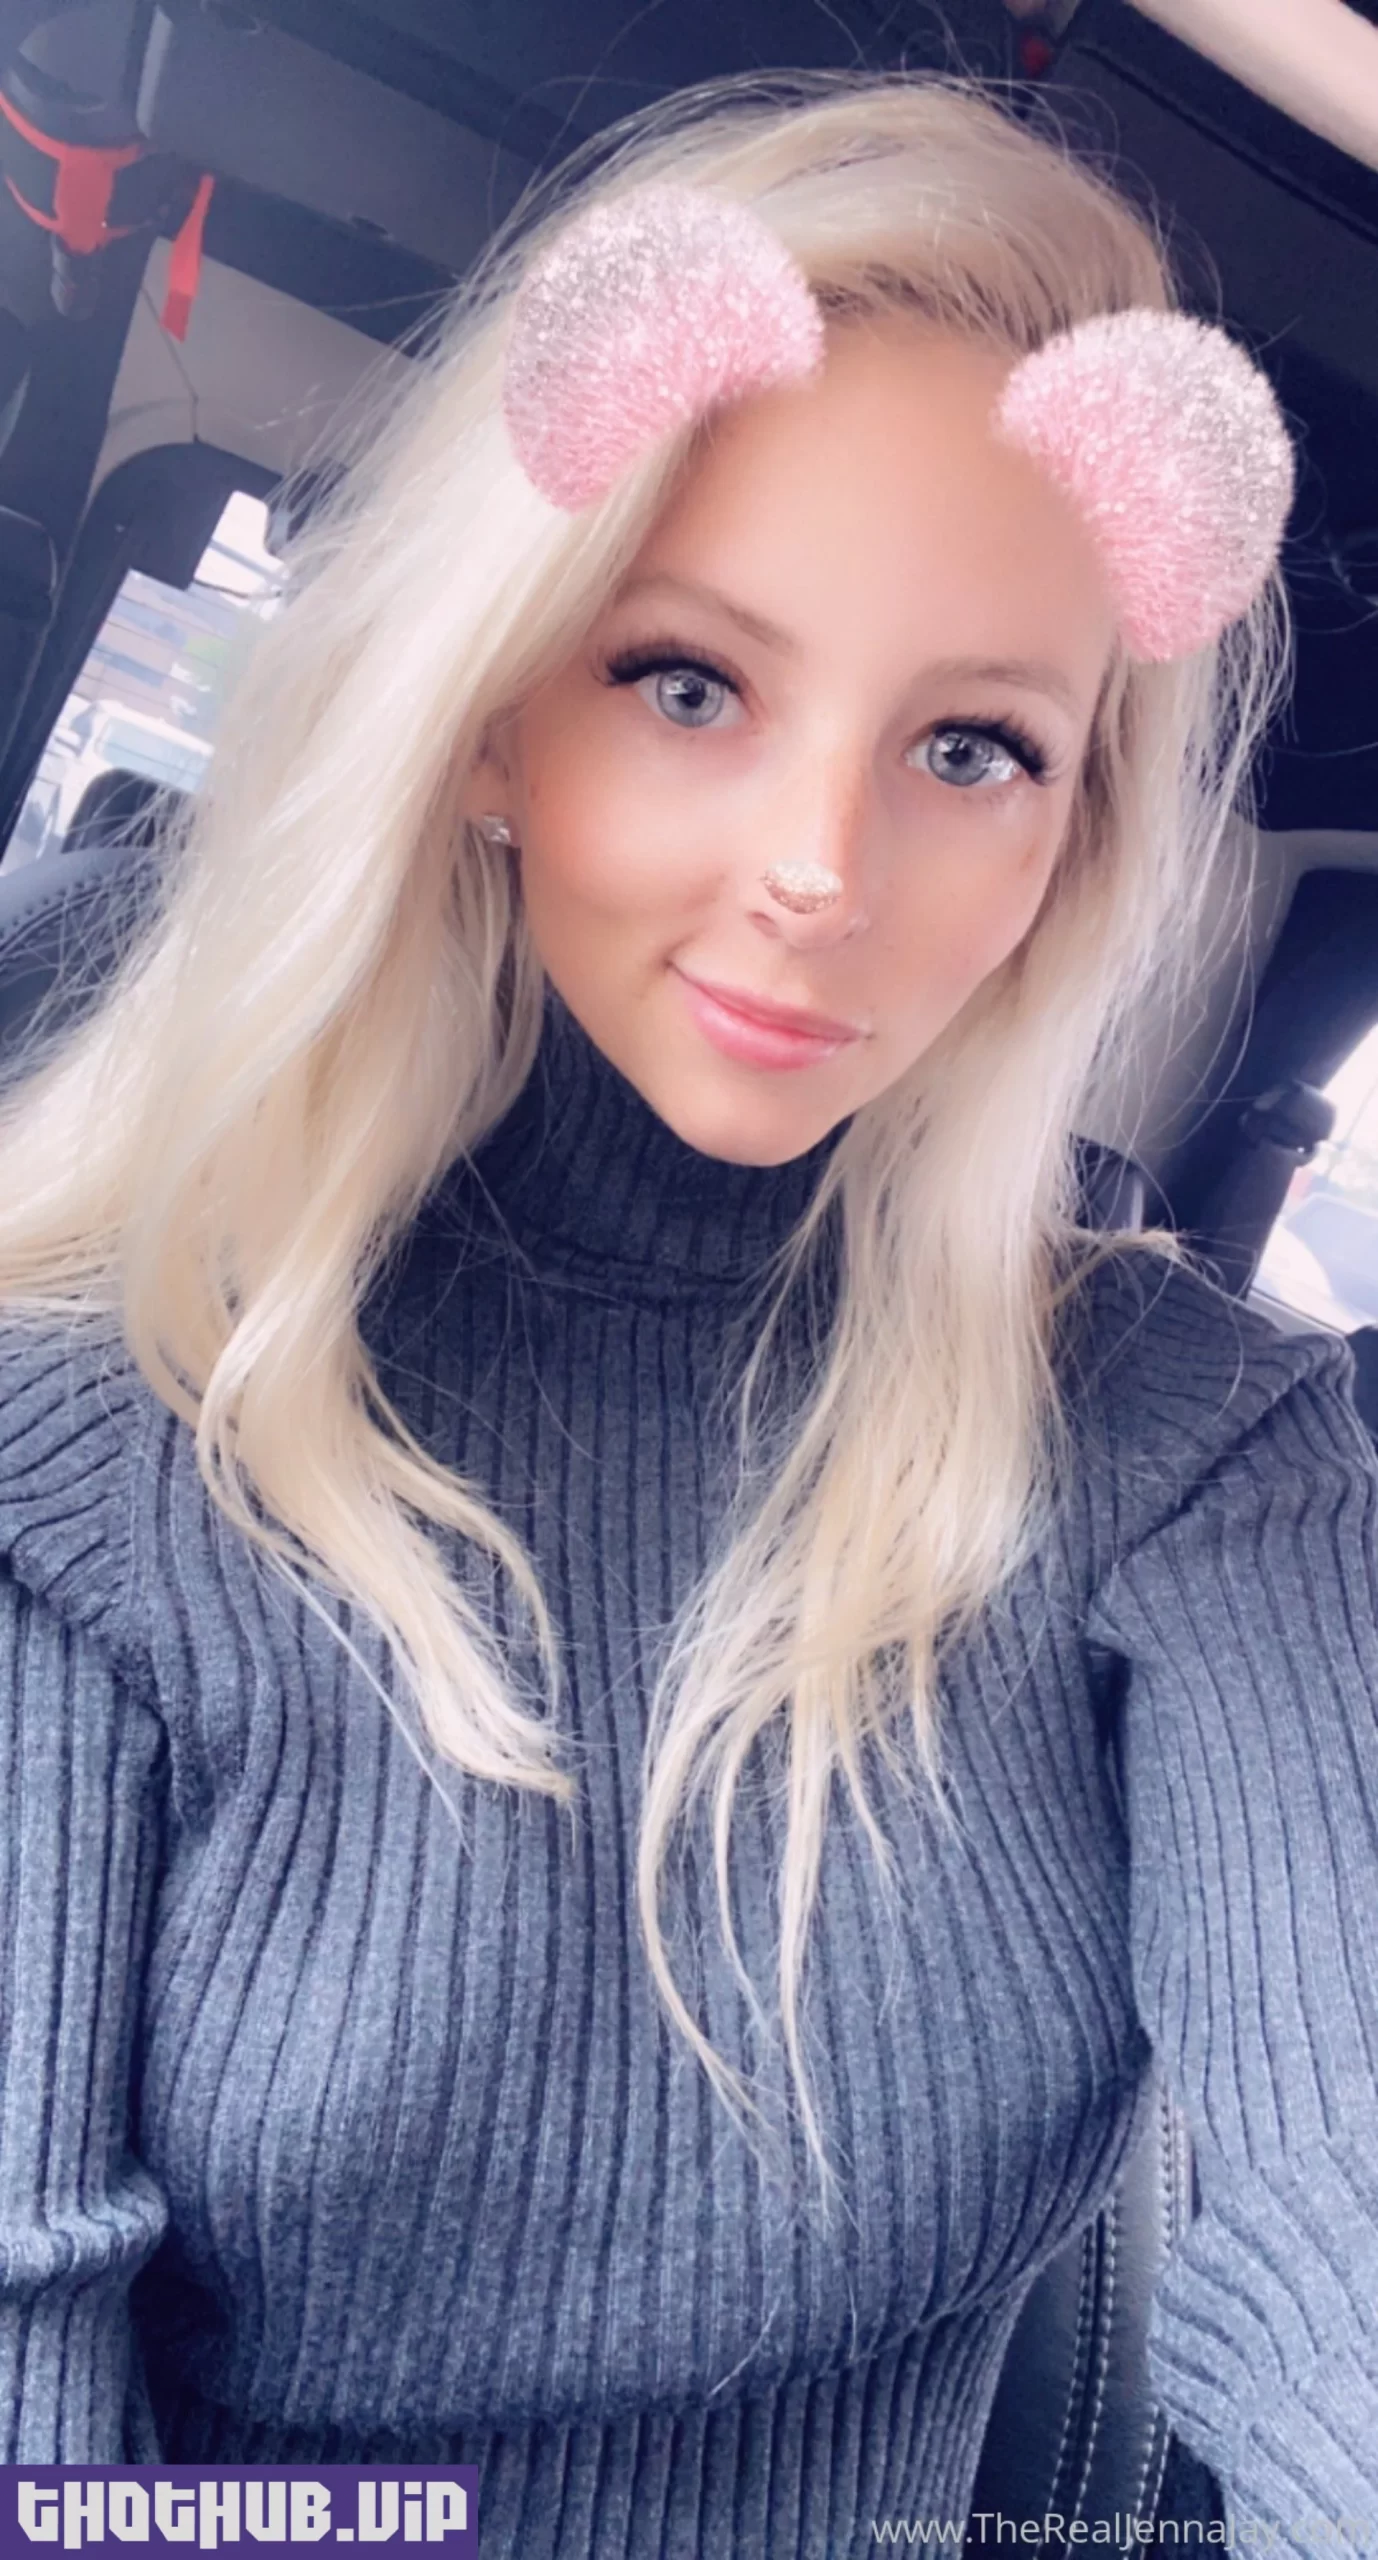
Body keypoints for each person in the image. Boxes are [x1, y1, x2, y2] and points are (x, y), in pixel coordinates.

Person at [0, 60, 1374, 2558]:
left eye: (971, 743)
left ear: (1071, 836)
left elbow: (1345, 2232)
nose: (820, 868)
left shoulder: (1203, 1450)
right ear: (495, 712)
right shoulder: (97, 1395)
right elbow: (38, 2442)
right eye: (688, 682)